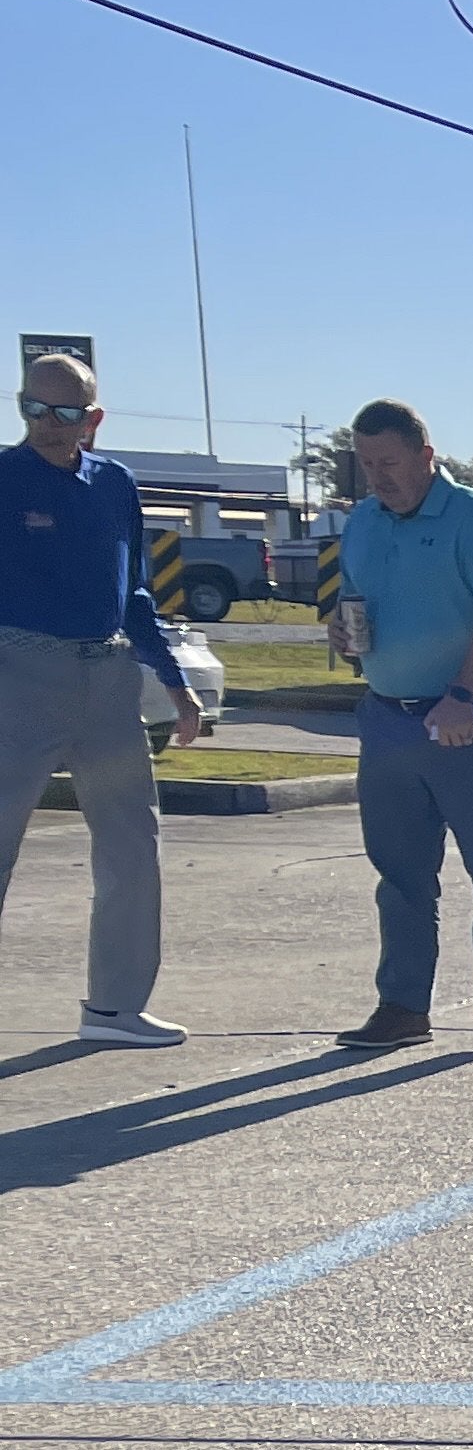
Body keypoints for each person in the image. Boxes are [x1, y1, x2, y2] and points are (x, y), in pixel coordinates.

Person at [0, 348, 198, 1048]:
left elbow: (135, 590)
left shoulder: (114, 482)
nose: (47, 424)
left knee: (132, 845)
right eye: (33, 408)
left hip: (108, 677)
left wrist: (175, 684)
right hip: (21, 674)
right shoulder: (4, 477)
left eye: (64, 412)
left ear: (94, 417)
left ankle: (114, 1009)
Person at [333, 399, 473, 1053]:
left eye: (388, 463)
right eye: (366, 465)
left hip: (470, 716)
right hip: (389, 718)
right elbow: (355, 602)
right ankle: (402, 1008)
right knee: (400, 875)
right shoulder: (363, 522)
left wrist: (459, 695)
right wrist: (341, 633)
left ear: (426, 456)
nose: (377, 478)